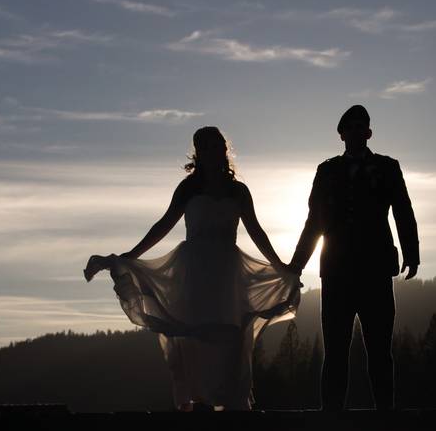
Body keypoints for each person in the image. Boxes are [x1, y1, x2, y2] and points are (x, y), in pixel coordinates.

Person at [84, 127, 300, 411]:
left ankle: (231, 405)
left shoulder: (238, 190)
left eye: (219, 146)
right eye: (208, 147)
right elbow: (163, 225)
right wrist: (129, 257)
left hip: (227, 273)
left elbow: (257, 231)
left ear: (224, 149)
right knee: (194, 337)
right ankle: (198, 405)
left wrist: (280, 267)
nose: (215, 152)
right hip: (194, 272)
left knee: (231, 339)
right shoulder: (188, 188)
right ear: (199, 153)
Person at [289, 105, 419, 411]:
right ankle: (331, 419)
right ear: (342, 134)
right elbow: (314, 222)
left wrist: (412, 253)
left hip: (376, 271)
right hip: (336, 272)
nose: (358, 131)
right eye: (352, 127)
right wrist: (297, 265)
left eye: (363, 126)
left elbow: (403, 211)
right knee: (335, 351)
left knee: (380, 349)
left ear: (369, 132)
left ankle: (386, 416)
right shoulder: (327, 170)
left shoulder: (388, 167)